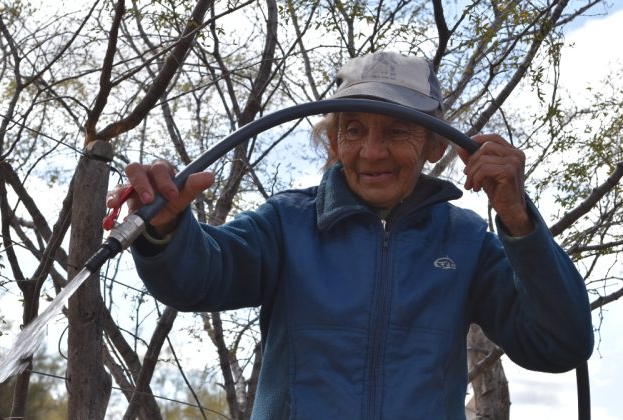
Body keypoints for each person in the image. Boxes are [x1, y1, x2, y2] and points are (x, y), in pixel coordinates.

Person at [108, 51, 594, 419]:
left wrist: (517, 217)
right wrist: (169, 226)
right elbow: (200, 276)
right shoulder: (286, 223)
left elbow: (558, 345)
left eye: (397, 131)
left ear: (434, 144)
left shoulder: (466, 241)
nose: (371, 152)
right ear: (335, 139)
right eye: (354, 129)